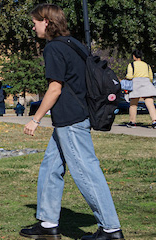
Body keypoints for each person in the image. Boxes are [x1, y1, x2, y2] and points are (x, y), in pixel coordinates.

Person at [20, 4, 124, 240]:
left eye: (35, 21)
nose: (33, 26)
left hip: (71, 120)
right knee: (50, 168)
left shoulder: (54, 48)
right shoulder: (74, 44)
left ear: (46, 21)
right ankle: (47, 223)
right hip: (74, 117)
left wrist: (35, 119)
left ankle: (110, 229)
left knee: (87, 172)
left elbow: (55, 88)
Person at [123, 49, 156, 128]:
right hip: (146, 83)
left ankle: (132, 122)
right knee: (150, 104)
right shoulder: (146, 65)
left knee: (133, 104)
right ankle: (154, 121)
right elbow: (151, 77)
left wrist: (126, 78)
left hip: (136, 83)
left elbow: (130, 76)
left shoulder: (131, 65)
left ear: (134, 56)